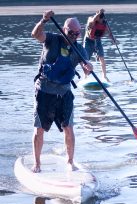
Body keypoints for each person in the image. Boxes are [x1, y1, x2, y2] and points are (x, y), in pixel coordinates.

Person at [31, 10, 93, 173]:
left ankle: (70, 162)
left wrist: (88, 68)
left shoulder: (79, 49)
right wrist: (44, 20)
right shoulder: (52, 39)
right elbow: (35, 34)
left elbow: (86, 70)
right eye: (72, 33)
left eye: (78, 33)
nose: (75, 36)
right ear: (64, 30)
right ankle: (37, 164)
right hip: (45, 90)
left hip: (64, 94)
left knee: (69, 127)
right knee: (39, 129)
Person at [83, 9, 117, 82]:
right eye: (99, 19)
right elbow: (94, 20)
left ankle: (104, 76)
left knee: (102, 58)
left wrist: (113, 39)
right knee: (86, 59)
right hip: (88, 41)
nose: (101, 21)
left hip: (97, 40)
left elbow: (109, 33)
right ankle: (85, 77)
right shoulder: (91, 19)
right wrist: (99, 14)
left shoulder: (104, 23)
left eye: (102, 19)